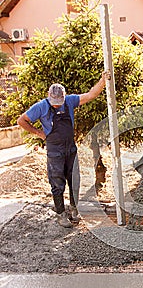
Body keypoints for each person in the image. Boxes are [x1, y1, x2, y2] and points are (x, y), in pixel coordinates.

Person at [17, 71, 111, 228]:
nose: (56, 104)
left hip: (70, 149)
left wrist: (102, 80)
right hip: (54, 150)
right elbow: (22, 120)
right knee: (57, 183)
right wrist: (40, 133)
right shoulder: (40, 107)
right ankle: (61, 214)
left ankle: (75, 209)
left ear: (64, 96)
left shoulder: (70, 101)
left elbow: (90, 95)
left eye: (59, 101)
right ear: (49, 96)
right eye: (54, 101)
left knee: (74, 180)